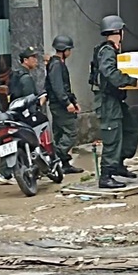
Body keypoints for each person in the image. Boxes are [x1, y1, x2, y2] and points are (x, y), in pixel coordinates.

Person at [94, 16, 138, 190]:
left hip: (116, 100)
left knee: (130, 130)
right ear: (119, 31)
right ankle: (106, 176)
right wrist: (134, 82)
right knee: (112, 137)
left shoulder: (113, 50)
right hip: (107, 101)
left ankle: (118, 164)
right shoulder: (107, 51)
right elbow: (110, 73)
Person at [47, 35, 83, 175]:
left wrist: (73, 101)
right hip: (60, 106)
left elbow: (66, 87)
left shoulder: (58, 63)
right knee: (71, 132)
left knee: (60, 134)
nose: (70, 52)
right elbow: (58, 87)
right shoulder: (56, 65)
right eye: (69, 49)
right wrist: (67, 103)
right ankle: (55, 157)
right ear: (64, 50)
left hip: (60, 104)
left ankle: (64, 164)